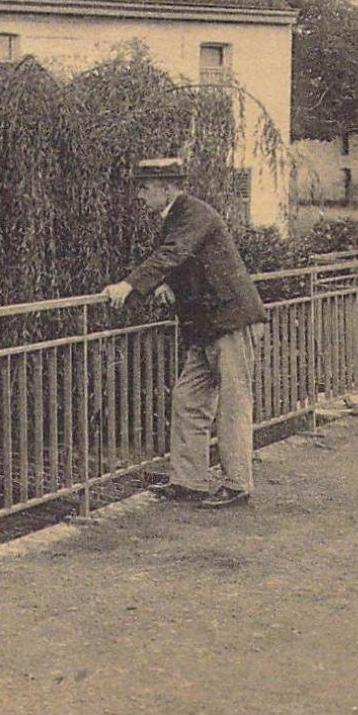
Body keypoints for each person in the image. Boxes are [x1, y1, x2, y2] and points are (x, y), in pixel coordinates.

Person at [102, 158, 267, 509]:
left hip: (229, 319)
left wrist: (129, 284)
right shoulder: (177, 217)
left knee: (234, 404)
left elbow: (175, 253)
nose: (139, 195)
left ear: (167, 187)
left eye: (144, 188)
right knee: (187, 399)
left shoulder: (193, 213)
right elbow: (183, 260)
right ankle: (190, 480)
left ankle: (238, 485)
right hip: (204, 324)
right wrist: (167, 284)